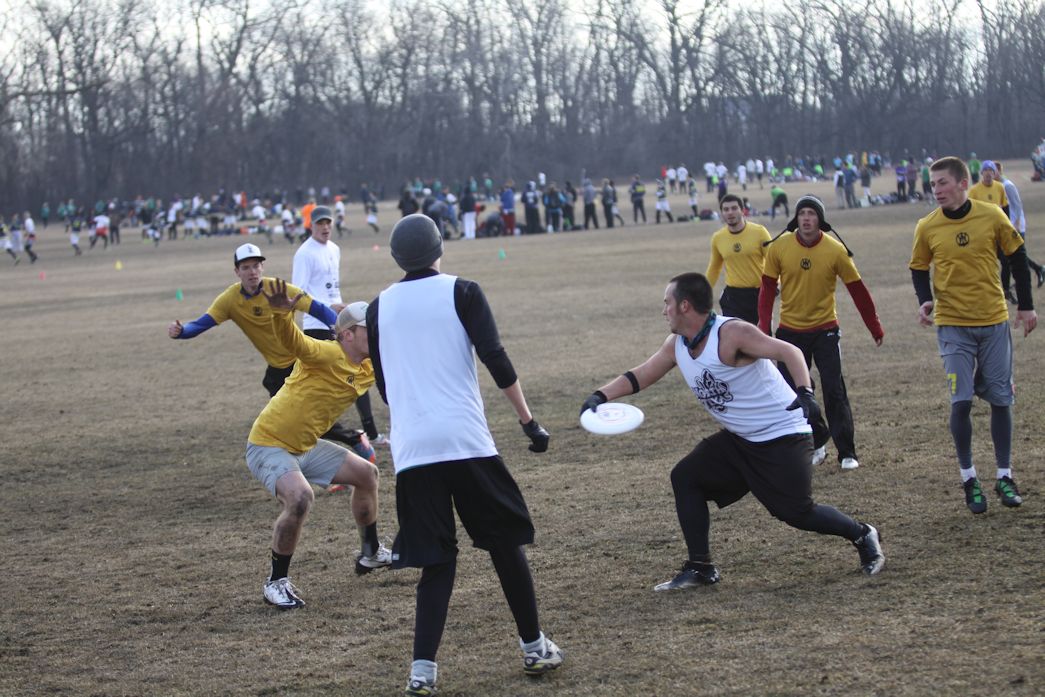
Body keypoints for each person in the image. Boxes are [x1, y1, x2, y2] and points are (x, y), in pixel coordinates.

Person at [580, 272, 885, 592]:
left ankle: (862, 534)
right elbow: (641, 374)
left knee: (796, 512)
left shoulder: (732, 334)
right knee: (685, 477)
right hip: (741, 438)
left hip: (783, 434)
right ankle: (700, 567)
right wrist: (599, 396)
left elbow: (789, 352)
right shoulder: (678, 344)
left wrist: (805, 393)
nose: (663, 310)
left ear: (684, 306)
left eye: (667, 303)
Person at [366, 214, 563, 696]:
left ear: (396, 258)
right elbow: (495, 357)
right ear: (440, 249)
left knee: (437, 562)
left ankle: (422, 673)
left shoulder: (377, 307)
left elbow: (385, 386)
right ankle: (534, 647)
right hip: (465, 442)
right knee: (503, 544)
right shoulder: (464, 291)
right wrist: (528, 422)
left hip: (413, 451)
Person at [248, 285, 392, 609]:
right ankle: (276, 582)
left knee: (367, 475)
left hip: (305, 446)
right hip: (268, 444)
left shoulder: (369, 365)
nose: (376, 333)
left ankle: (370, 553)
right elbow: (294, 342)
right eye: (368, 328)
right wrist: (281, 315)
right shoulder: (326, 353)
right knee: (300, 498)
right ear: (348, 335)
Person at [909, 156, 1036, 514]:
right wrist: (925, 300)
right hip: (952, 326)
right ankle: (969, 479)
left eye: (942, 183)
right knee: (961, 401)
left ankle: (1004, 476)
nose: (936, 190)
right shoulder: (927, 226)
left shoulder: (992, 216)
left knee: (1001, 400)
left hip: (994, 322)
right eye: (933, 184)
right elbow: (918, 267)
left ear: (963, 184)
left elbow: (1018, 256)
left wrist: (1026, 306)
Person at [758, 195, 884, 470]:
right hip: (789, 333)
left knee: (834, 389)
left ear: (820, 220)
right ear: (796, 218)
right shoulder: (779, 247)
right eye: (802, 213)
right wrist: (763, 324)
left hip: (826, 330)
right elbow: (767, 288)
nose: (806, 219)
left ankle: (847, 452)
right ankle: (817, 441)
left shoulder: (835, 250)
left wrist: (873, 326)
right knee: (794, 391)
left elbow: (858, 291)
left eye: (811, 214)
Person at [168, 243, 339, 397]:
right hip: (277, 369)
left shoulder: (279, 289)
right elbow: (200, 324)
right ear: (237, 272)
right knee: (283, 414)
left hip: (301, 362)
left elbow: (319, 309)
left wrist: (339, 328)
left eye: (256, 266)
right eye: (246, 267)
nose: (252, 272)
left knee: (309, 412)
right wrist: (181, 331)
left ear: (262, 267)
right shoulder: (230, 299)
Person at [293, 205, 388, 453]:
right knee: (325, 384)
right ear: (311, 225)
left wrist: (340, 308)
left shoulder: (335, 249)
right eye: (320, 223)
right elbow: (298, 293)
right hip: (316, 326)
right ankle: (314, 433)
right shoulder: (304, 253)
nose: (325, 227)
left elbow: (330, 288)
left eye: (328, 222)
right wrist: (328, 307)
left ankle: (370, 433)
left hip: (339, 323)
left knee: (357, 372)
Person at [706, 194, 771, 324]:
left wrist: (776, 284)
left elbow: (773, 261)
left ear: (742, 210)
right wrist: (703, 290)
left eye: (734, 208)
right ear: (722, 213)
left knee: (760, 335)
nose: (730, 212)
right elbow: (714, 268)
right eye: (726, 209)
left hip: (758, 294)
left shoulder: (759, 232)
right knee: (733, 334)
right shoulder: (718, 238)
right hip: (733, 297)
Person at [996, 161, 1045, 289]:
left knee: (1013, 256)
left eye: (992, 171)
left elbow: (1017, 205)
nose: (989, 174)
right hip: (1006, 226)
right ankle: (1038, 269)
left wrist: (1016, 224)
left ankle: (1011, 288)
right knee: (1010, 256)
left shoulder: (1007, 185)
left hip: (1015, 226)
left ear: (999, 171)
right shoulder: (996, 187)